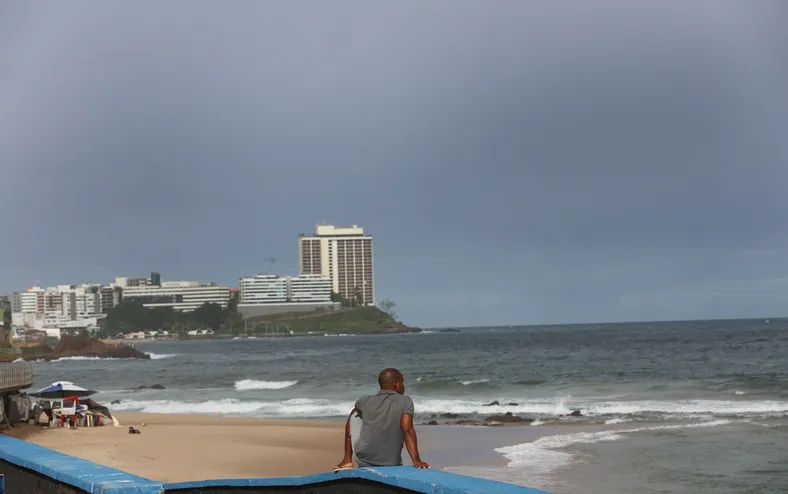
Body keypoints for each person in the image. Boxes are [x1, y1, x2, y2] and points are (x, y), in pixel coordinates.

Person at [335, 368, 429, 469]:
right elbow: (407, 429)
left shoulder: (365, 400)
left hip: (363, 459)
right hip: (391, 462)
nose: (403, 386)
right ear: (395, 384)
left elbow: (356, 414)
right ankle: (348, 460)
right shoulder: (405, 401)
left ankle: (347, 460)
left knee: (354, 413)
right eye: (402, 383)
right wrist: (416, 461)